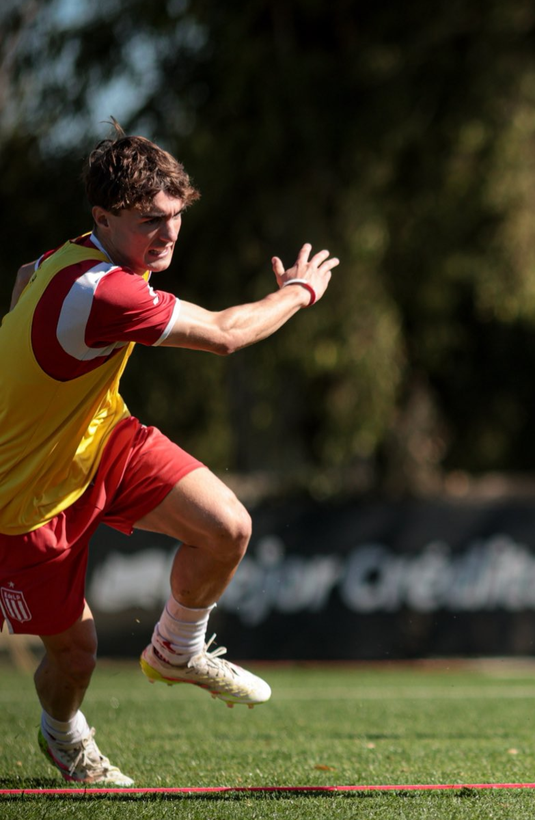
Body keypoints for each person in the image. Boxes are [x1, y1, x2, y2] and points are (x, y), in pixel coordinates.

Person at [0, 124, 338, 786]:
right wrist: (299, 292)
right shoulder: (104, 290)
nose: (169, 233)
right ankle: (64, 736)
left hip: (102, 440)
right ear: (103, 218)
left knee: (228, 528)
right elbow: (224, 335)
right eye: (150, 221)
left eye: (176, 216)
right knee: (76, 657)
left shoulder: (64, 259)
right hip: (25, 495)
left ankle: (177, 649)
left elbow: (22, 281)